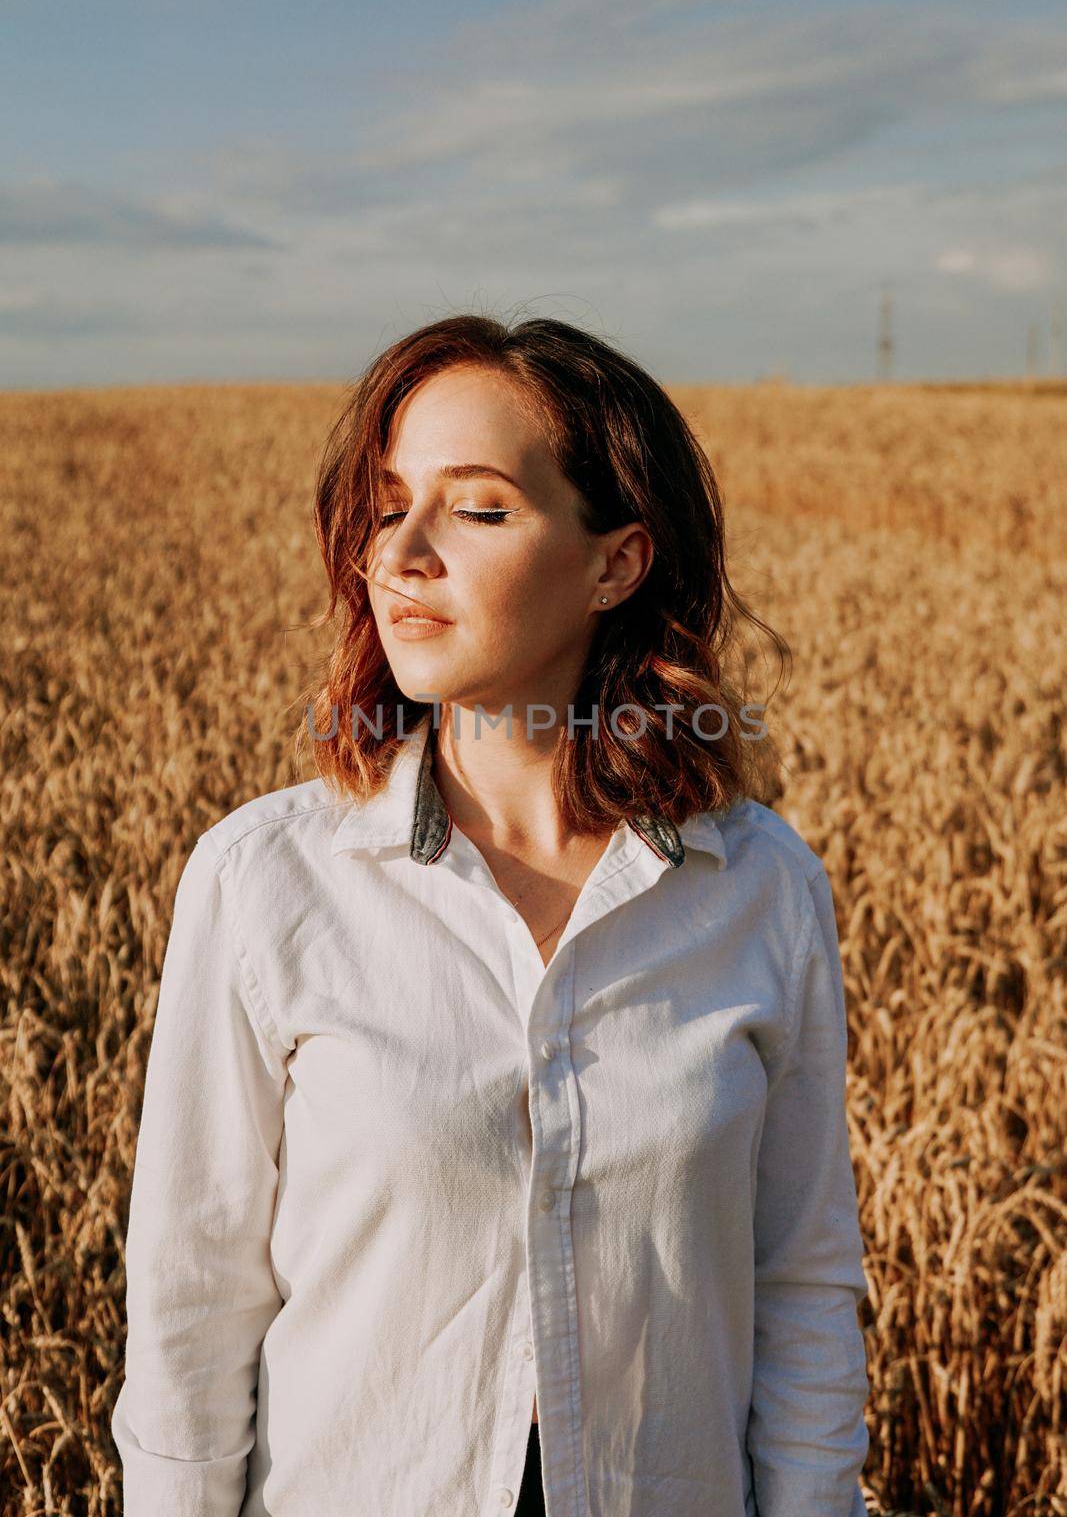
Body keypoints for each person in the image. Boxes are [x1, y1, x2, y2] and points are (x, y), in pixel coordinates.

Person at [111, 314, 872, 1516]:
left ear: (616, 563)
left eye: (474, 509)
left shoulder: (759, 892)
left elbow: (801, 1286)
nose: (402, 553)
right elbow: (191, 1300)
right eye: (386, 503)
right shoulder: (266, 881)